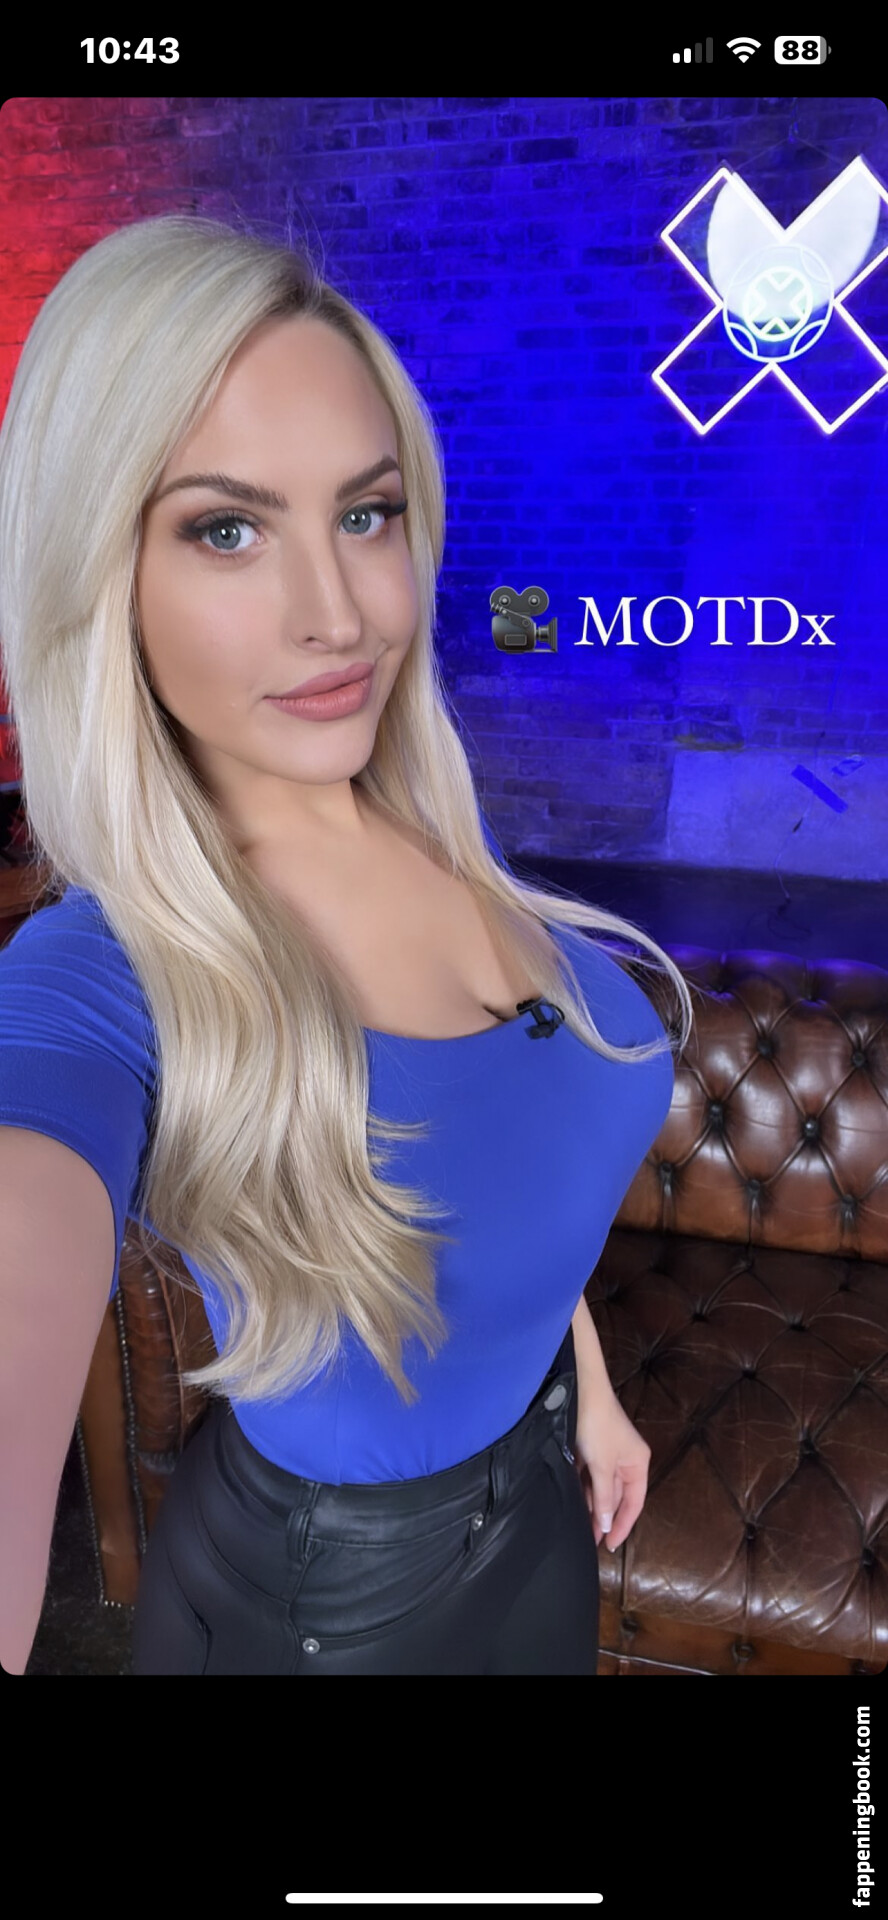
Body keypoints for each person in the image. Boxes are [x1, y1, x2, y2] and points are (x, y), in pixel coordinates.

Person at [0, 215, 692, 1675]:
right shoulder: (103, 977)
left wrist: (589, 1392)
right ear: (98, 579)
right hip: (332, 1612)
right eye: (226, 528)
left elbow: (513, 1159)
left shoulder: (431, 827)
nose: (339, 617)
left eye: (366, 515)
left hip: (540, 1504)